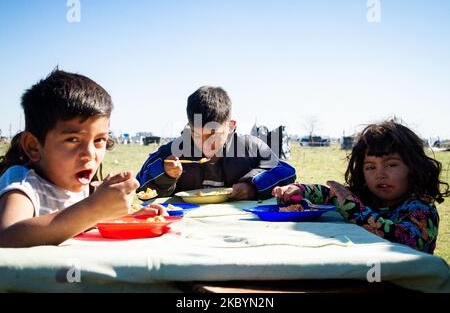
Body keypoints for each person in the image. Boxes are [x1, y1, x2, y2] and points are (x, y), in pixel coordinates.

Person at [0, 70, 165, 248]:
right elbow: (6, 237)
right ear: (33, 146)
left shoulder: (80, 186)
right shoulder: (24, 182)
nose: (90, 153)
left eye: (99, 140)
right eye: (73, 140)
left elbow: (78, 223)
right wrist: (93, 208)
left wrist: (125, 215)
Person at [272, 120, 449, 254]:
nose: (381, 174)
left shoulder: (421, 209)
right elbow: (330, 195)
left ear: (414, 166)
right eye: (371, 167)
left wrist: (353, 209)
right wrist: (302, 190)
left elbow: (403, 240)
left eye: (392, 165)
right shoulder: (368, 196)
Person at [136, 86, 296, 200]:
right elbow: (141, 186)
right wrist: (165, 174)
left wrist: (254, 186)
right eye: (197, 135)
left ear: (231, 125)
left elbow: (287, 172)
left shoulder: (250, 148)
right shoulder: (173, 151)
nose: (206, 143)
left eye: (214, 135)